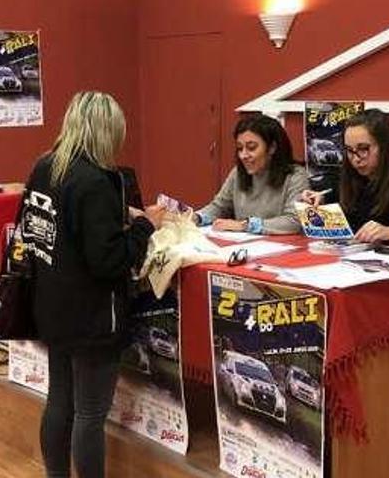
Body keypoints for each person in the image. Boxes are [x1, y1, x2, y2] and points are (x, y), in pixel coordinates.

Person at [21, 91, 165, 478]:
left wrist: (116, 217)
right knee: (89, 414)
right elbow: (110, 261)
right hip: (92, 316)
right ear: (107, 131)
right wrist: (144, 225)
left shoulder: (44, 167)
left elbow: (43, 228)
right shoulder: (95, 180)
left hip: (51, 305)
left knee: (60, 402)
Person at [301, 108, 389, 248]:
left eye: (363, 149)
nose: (356, 159)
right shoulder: (350, 178)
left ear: (384, 146)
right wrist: (320, 200)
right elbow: (335, 199)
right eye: (349, 150)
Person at [194, 113, 309, 234]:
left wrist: (245, 225)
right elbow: (219, 207)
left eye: (251, 147)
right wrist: (196, 218)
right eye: (239, 148)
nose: (243, 155)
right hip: (243, 246)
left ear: (272, 147)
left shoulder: (296, 176)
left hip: (283, 248)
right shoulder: (238, 173)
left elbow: (294, 221)